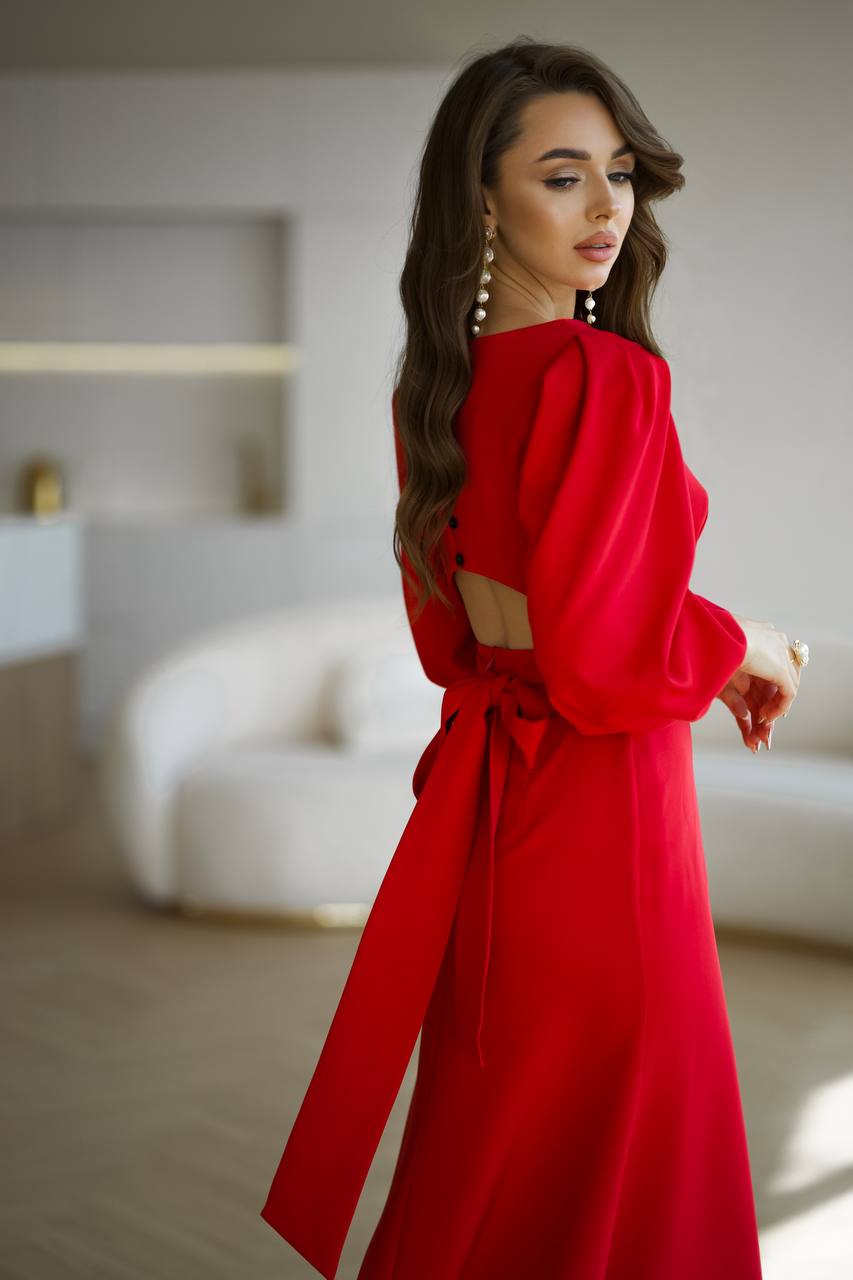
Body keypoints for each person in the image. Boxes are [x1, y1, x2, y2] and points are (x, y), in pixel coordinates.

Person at [260, 38, 808, 1279]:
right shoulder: (602, 373)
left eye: (617, 172)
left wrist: (689, 649)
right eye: (563, 175)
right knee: (633, 1158)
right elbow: (605, 657)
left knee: (488, 1146)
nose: (608, 205)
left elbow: (469, 635)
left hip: (497, 822)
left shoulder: (432, 392)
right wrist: (745, 640)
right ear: (482, 196)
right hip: (610, 821)